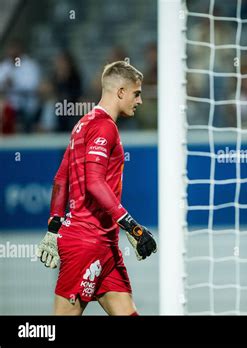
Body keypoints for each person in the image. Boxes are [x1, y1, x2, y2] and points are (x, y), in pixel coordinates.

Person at [36, 61, 157, 315]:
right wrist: (133, 228)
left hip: (105, 245)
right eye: (137, 93)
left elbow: (60, 179)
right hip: (86, 242)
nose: (140, 100)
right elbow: (94, 182)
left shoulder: (83, 124)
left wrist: (54, 226)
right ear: (121, 92)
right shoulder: (105, 127)